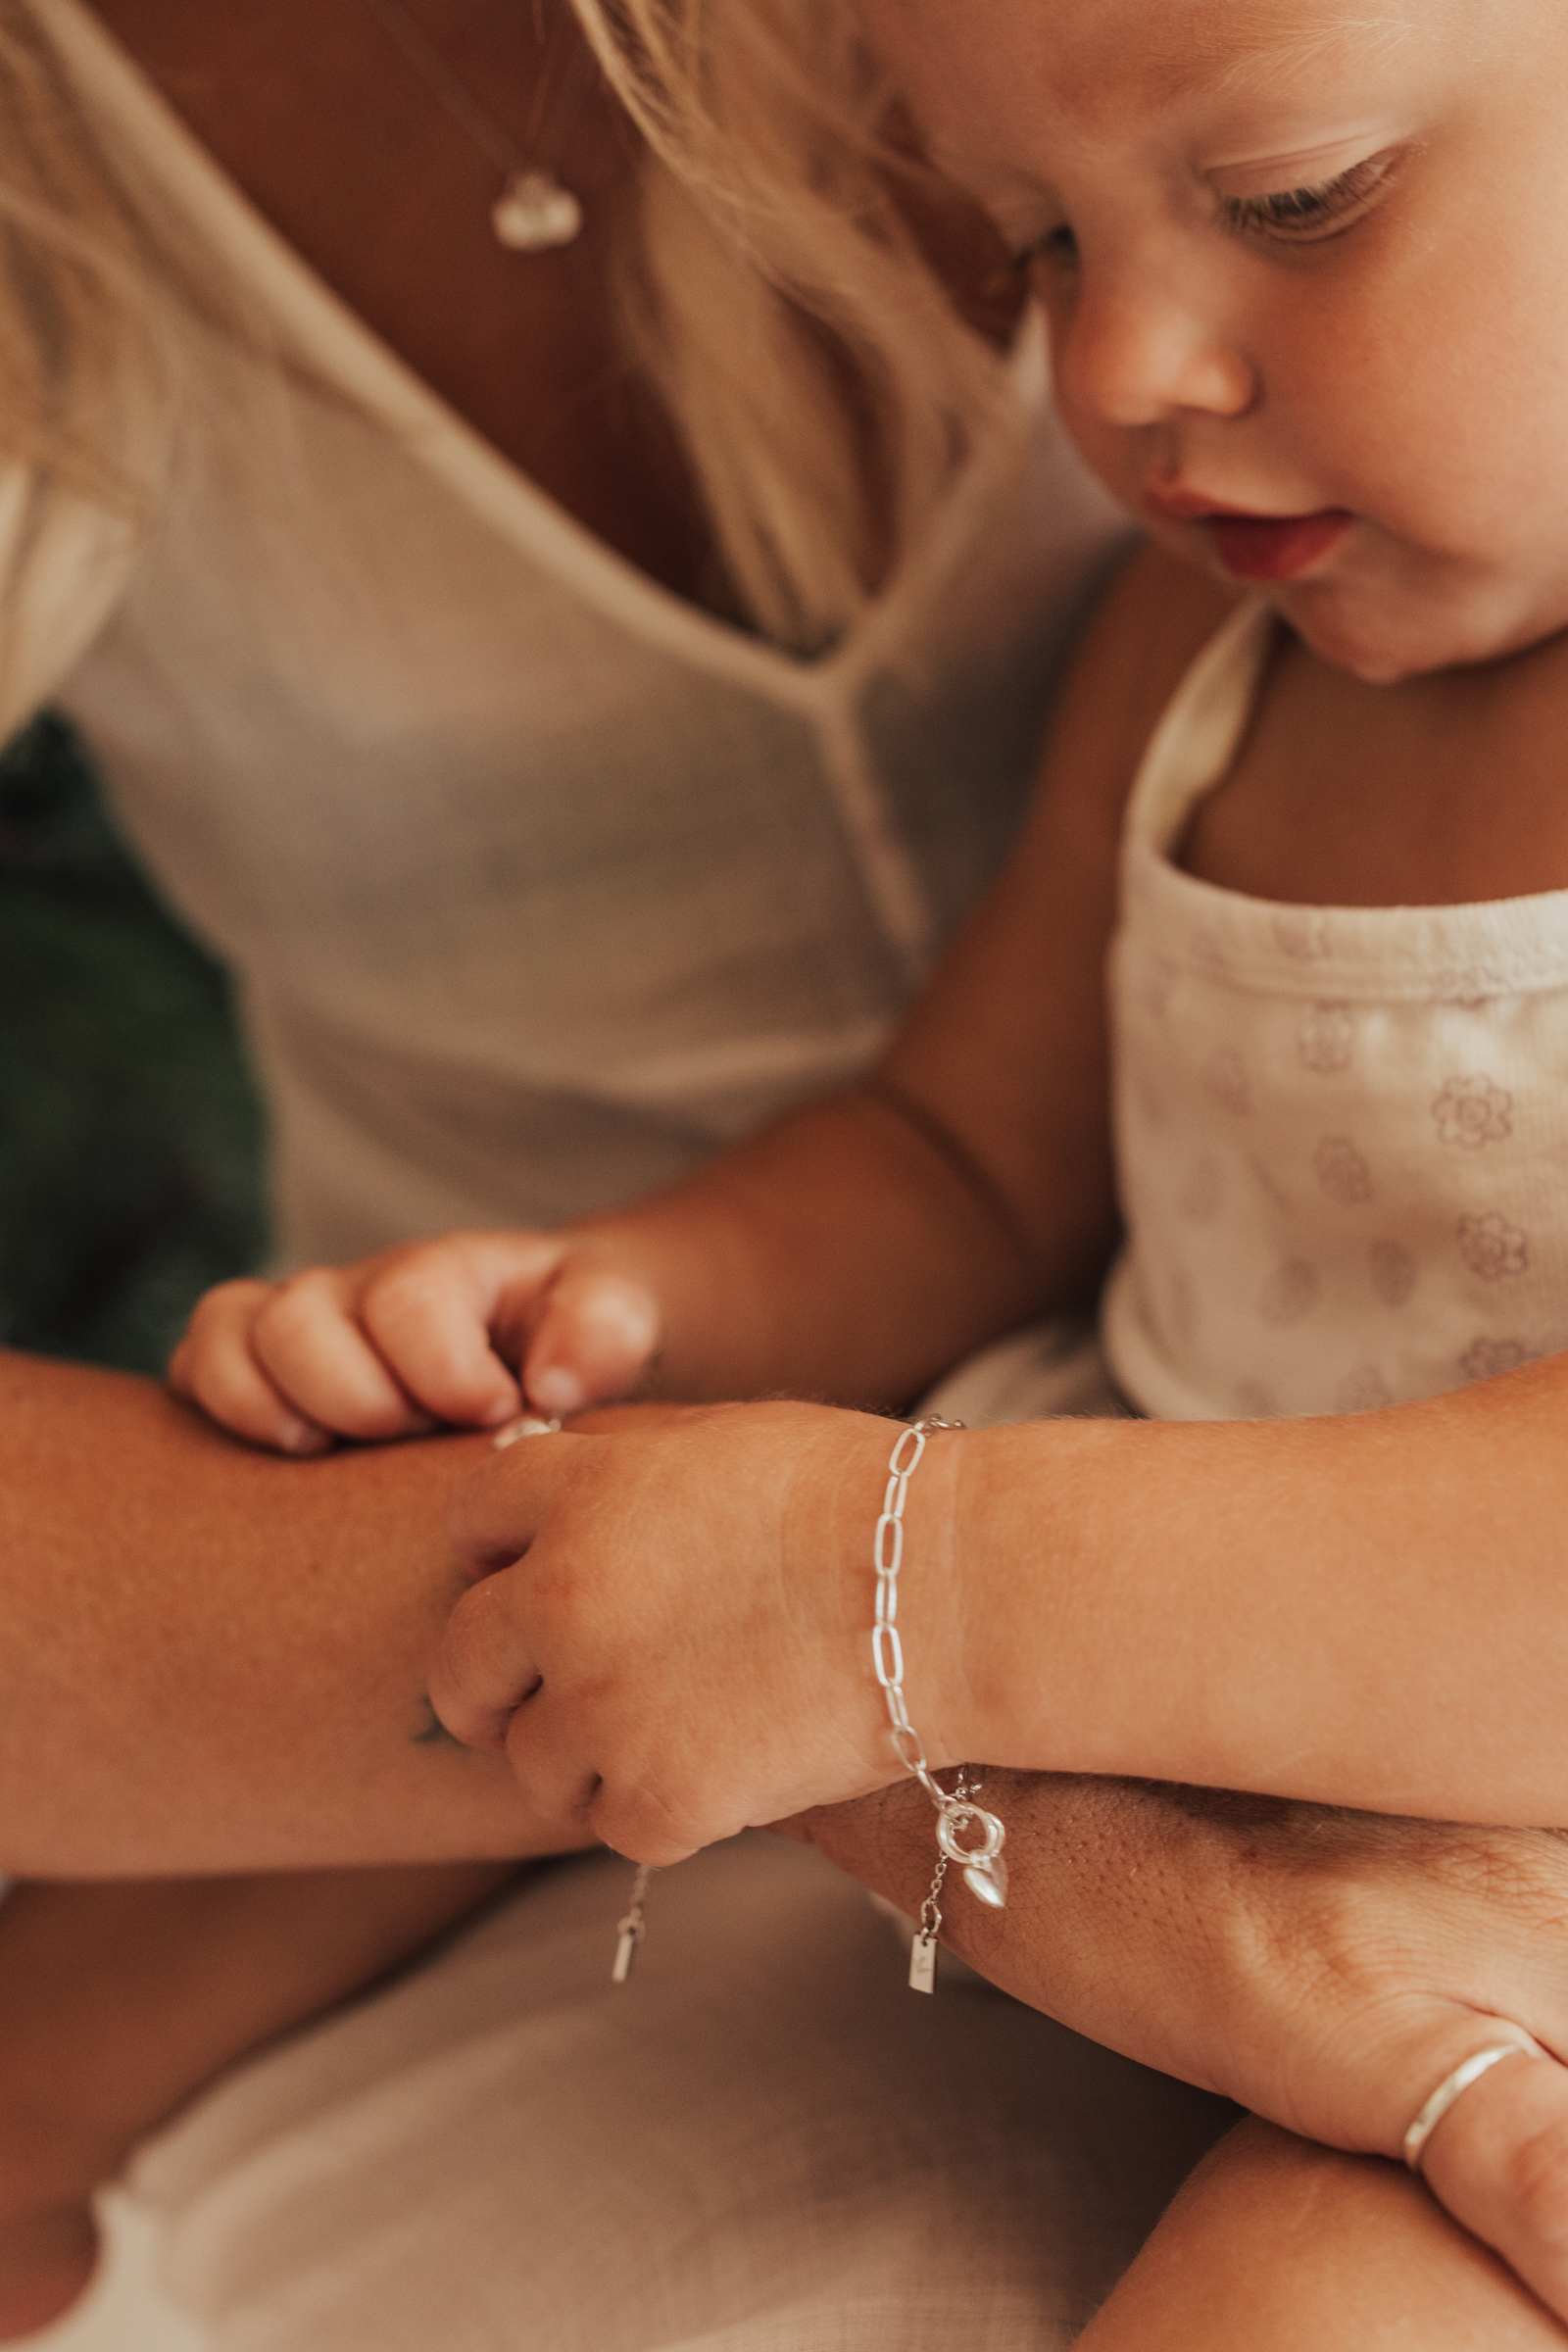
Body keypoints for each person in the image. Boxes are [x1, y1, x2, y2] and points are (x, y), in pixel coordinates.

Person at [0, 4, 1564, 2351]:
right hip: (1006, 1641)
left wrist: (892, 1584)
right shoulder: (1209, 652)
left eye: (1294, 200)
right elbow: (958, 1155)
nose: (1121, 364)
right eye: (1037, 246)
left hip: (1400, 1754)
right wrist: (620, 1305)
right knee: (86, 2073)